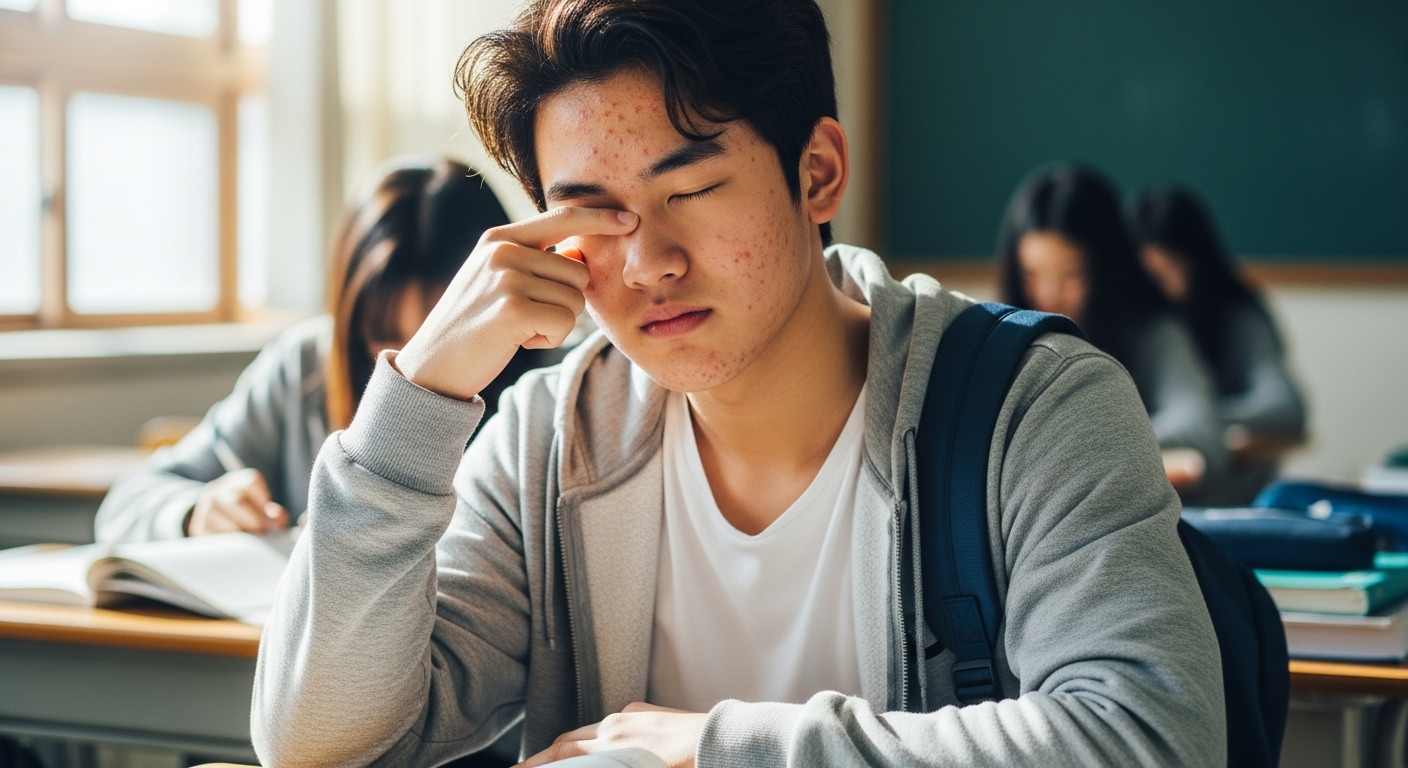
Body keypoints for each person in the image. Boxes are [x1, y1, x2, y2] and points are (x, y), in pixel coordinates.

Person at [252, 2, 1224, 767]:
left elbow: (1148, 741)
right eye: (594, 215)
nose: (646, 264)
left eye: (690, 191)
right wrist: (419, 393)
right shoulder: (549, 441)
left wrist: (716, 749)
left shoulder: (1036, 405)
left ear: (817, 172)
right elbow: (323, 744)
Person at [95, 157, 559, 542]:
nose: (415, 367)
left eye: (447, 338)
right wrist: (196, 512)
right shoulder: (307, 365)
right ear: (349, 322)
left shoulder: (558, 386)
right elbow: (128, 503)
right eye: (384, 336)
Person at [998, 165, 1231, 501]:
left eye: (1071, 275)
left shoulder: (1151, 330)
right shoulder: (1005, 336)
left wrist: (1076, 443)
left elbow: (1198, 429)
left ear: (1104, 269)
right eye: (1031, 275)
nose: (1049, 295)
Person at [1130, 186, 1307, 503]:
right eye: (1140, 277)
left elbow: (1284, 403)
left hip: (1231, 496)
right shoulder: (1137, 326)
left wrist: (1203, 420)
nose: (1152, 289)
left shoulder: (1234, 315)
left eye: (1164, 273)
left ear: (1197, 264)